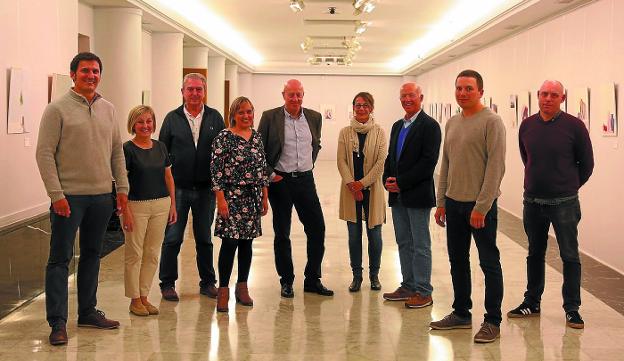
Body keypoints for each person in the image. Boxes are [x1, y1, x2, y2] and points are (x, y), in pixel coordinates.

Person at [36, 52, 129, 346]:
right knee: (60, 260)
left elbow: (116, 151)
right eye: (86, 71)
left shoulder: (109, 109)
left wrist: (122, 190)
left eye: (96, 71)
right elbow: (44, 154)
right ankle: (58, 322)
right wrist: (57, 195)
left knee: (92, 255)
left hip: (102, 197)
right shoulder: (57, 109)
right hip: (69, 199)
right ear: (73, 74)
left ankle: (87, 311)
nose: (91, 75)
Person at [507, 80, 594, 329]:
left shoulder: (574, 127)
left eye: (553, 95)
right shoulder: (527, 125)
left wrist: (569, 186)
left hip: (564, 202)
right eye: (544, 94)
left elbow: (586, 164)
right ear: (537, 96)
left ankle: (572, 308)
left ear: (562, 98)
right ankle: (531, 302)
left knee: (569, 255)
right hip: (532, 201)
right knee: (535, 253)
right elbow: (527, 158)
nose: (547, 98)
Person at [430, 70, 506, 344]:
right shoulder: (452, 123)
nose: (462, 93)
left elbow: (496, 168)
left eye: (468, 89)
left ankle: (492, 320)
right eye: (459, 88)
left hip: (480, 208)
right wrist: (441, 203)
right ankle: (461, 312)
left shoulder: (492, 122)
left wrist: (482, 207)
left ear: (480, 92)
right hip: (454, 203)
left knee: (488, 263)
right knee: (457, 261)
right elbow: (446, 165)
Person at [258, 79, 333, 298]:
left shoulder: (314, 117)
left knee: (317, 229)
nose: (295, 98)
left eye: (298, 94)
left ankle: (312, 279)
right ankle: (286, 280)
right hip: (280, 182)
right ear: (283, 95)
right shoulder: (270, 117)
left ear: (303, 95)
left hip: (305, 180)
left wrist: (308, 165)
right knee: (282, 233)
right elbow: (260, 150)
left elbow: (315, 144)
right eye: (291, 94)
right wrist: (271, 174)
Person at [158, 73, 225, 301]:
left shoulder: (215, 117)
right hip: (178, 190)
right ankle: (167, 283)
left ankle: (207, 283)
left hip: (206, 190)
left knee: (204, 238)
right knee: (173, 237)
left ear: (204, 91)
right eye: (190, 89)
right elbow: (162, 155)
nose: (195, 93)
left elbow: (223, 153)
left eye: (199, 89)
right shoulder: (171, 118)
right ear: (183, 92)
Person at [382, 83, 441, 308]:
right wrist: (387, 180)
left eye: (411, 95)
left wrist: (402, 183)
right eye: (403, 95)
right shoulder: (398, 125)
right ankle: (408, 286)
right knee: (403, 242)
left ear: (420, 97)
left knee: (420, 244)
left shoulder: (430, 126)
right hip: (397, 196)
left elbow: (428, 162)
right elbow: (391, 157)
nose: (407, 99)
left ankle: (424, 291)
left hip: (417, 195)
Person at [211, 97, 269, 312]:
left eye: (250, 112)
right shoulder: (224, 137)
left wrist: (264, 196)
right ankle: (223, 291)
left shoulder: (256, 137)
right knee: (229, 244)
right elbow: (216, 171)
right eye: (242, 112)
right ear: (233, 114)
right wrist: (221, 200)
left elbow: (262, 169)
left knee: (247, 244)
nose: (246, 116)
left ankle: (242, 287)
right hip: (231, 197)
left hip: (252, 197)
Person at [120, 105, 177, 316]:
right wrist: (124, 210)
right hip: (136, 206)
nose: (146, 125)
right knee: (134, 253)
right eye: (141, 122)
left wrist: (173, 204)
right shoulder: (127, 149)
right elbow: (122, 182)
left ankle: (144, 295)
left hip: (161, 205)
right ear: (133, 124)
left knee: (152, 253)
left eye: (149, 121)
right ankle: (134, 299)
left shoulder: (161, 147)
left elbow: (168, 177)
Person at [337, 92, 388, 292]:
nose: (361, 109)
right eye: (357, 105)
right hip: (350, 192)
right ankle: (356, 276)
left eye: (365, 105)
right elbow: (341, 160)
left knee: (375, 236)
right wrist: (352, 184)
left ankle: (374, 275)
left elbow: (380, 162)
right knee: (354, 236)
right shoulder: (345, 132)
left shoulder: (379, 132)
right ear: (353, 107)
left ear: (371, 108)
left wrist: (363, 183)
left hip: (372, 191)